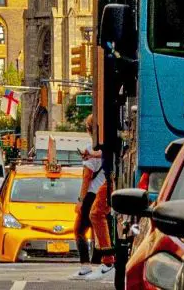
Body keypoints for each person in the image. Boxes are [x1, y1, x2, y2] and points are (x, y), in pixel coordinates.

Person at [74, 115, 115, 282]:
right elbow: (102, 153)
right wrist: (91, 154)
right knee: (97, 223)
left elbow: (86, 177)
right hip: (104, 186)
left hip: (94, 191)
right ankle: (103, 262)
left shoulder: (96, 145)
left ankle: (104, 263)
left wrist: (80, 200)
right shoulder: (99, 147)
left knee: (84, 226)